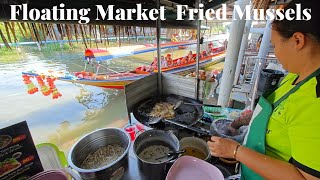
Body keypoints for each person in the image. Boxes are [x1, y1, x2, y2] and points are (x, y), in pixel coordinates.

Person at [207, 0, 320, 179]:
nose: (274, 52)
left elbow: (304, 178)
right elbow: (284, 116)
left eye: (275, 45)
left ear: (298, 41)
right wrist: (252, 119)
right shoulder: (297, 74)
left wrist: (235, 151)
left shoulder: (315, 102)